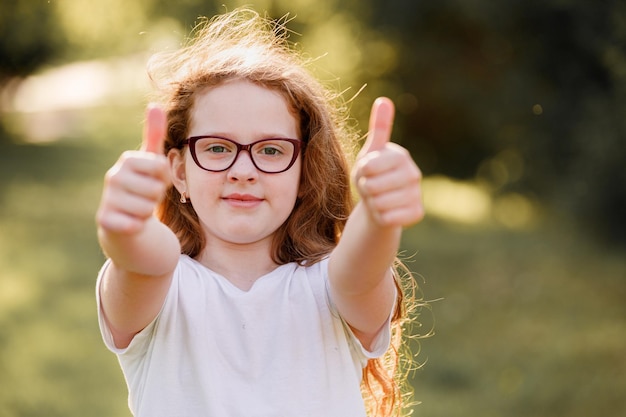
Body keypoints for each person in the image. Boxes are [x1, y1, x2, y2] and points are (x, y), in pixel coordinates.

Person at [95, 7, 425, 417]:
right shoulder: (164, 289)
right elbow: (145, 260)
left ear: (305, 172)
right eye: (217, 148)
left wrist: (378, 216)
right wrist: (125, 228)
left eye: (271, 150)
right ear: (178, 171)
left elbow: (361, 268)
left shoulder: (332, 285)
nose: (243, 171)